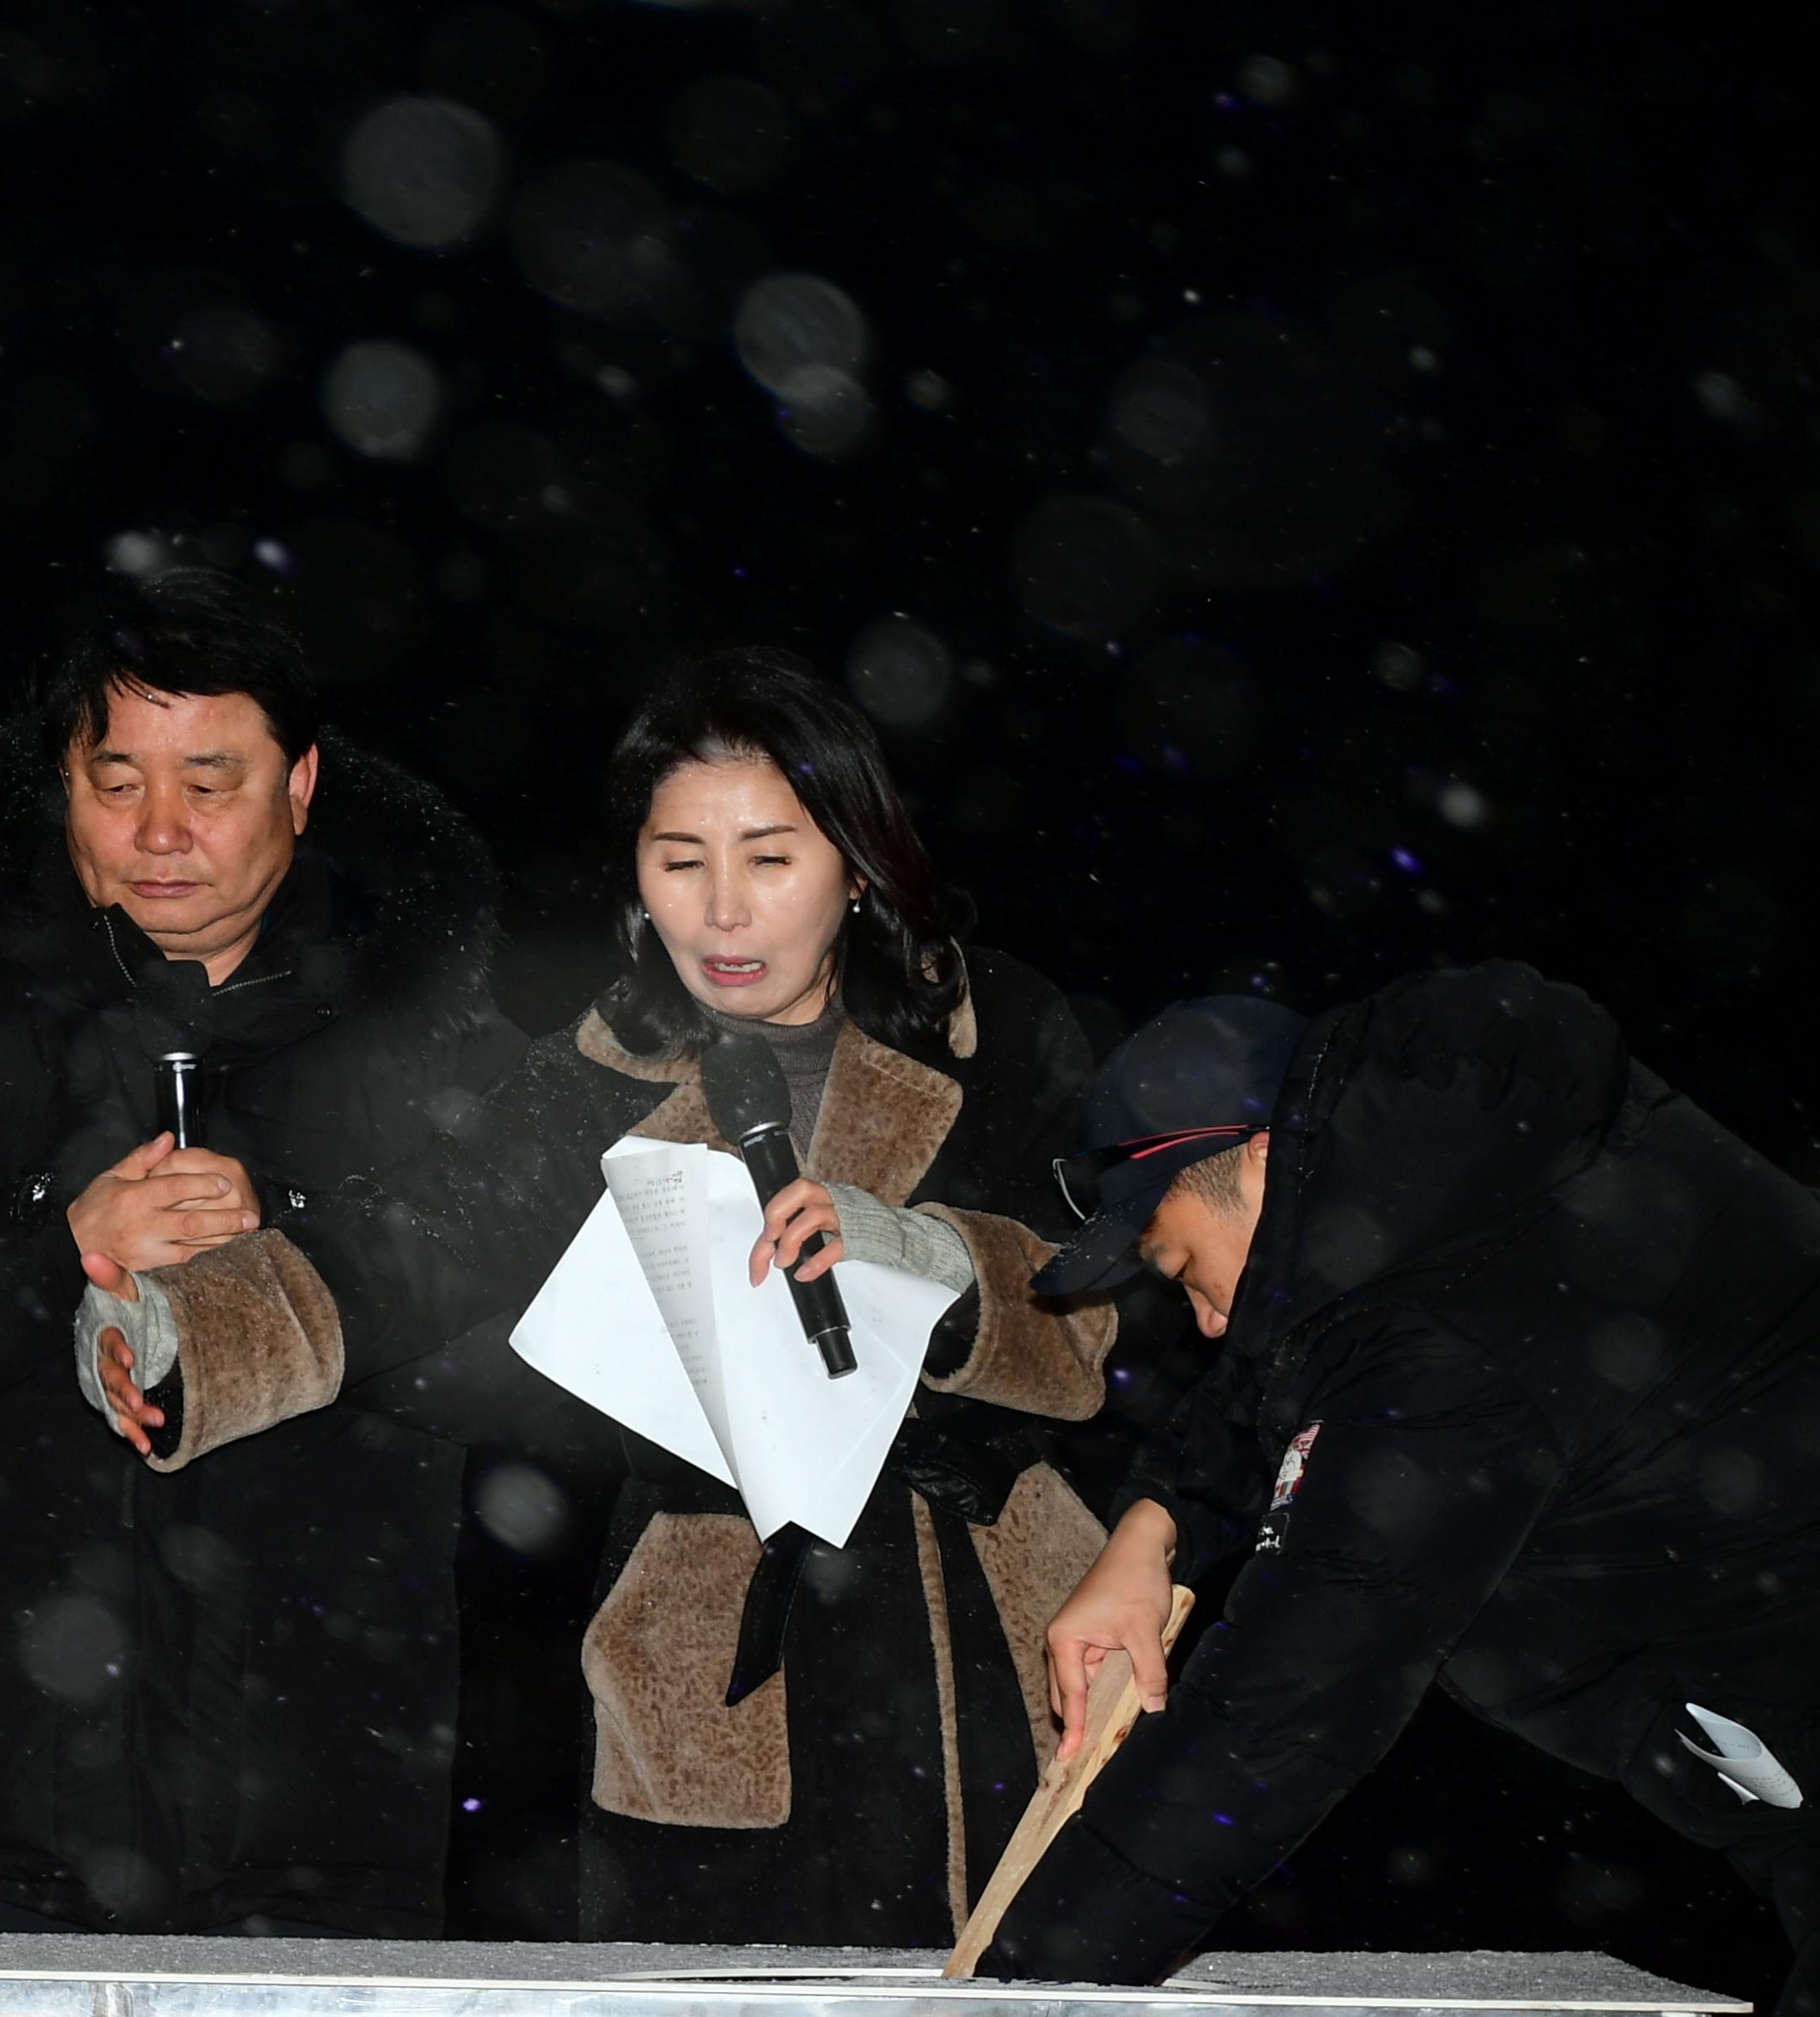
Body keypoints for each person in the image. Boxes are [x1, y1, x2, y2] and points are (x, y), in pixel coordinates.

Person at [84, 648, 1185, 1946]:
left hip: (1008, 1624)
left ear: (855, 860)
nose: (724, 912)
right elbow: (405, 1247)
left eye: (771, 859)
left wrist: (926, 1257)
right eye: (681, 861)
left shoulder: (996, 1024)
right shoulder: (604, 1071)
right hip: (721, 1651)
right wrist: (167, 1336)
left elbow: (1129, 1308)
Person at [0, 569, 526, 1936]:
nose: (162, 830)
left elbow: (527, 1342)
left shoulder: (439, 1057)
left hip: (322, 1843)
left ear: (301, 784)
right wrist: (51, 1241)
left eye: (210, 780)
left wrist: (287, 1246)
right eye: (117, 781)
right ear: (60, 788)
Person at [979, 966, 1820, 2017]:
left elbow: (1283, 1709)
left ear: (1269, 1160)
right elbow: (1278, 1383)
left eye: (1183, 1267)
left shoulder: (1452, 1351)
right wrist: (1156, 1528)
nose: (1199, 1324)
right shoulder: (1468, 1211)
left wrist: (1025, 1990)